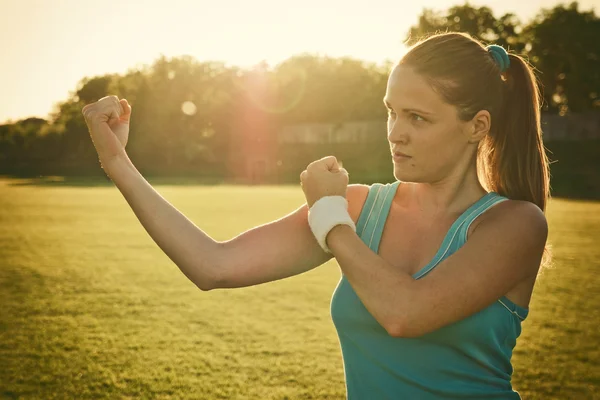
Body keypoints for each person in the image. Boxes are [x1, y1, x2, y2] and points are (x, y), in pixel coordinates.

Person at [82, 32, 550, 399]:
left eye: (418, 118)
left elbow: (406, 314)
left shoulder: (514, 224)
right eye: (391, 112)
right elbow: (213, 265)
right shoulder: (359, 209)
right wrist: (118, 164)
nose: (395, 134)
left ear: (477, 126)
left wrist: (329, 215)